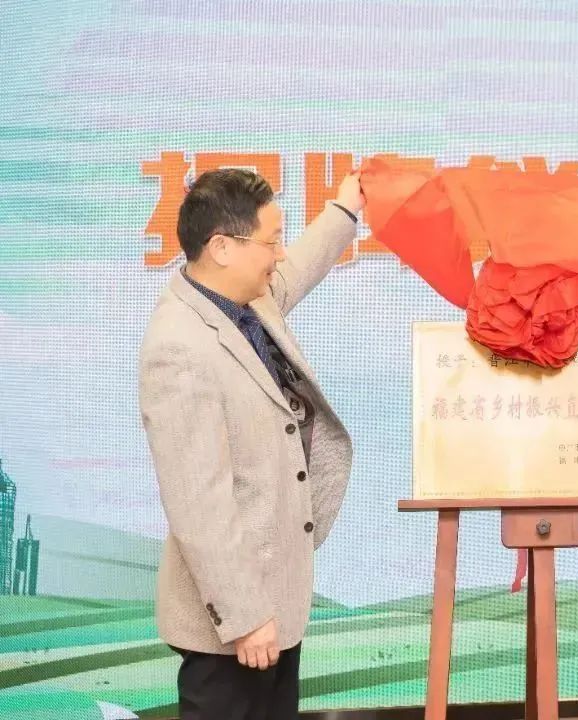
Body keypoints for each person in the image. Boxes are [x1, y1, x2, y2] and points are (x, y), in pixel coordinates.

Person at [139, 167, 364, 719]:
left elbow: (298, 269)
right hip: (234, 625)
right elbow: (198, 503)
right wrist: (244, 617)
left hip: (275, 603)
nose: (281, 254)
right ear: (222, 247)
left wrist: (346, 209)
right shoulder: (179, 347)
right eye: (271, 241)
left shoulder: (244, 302)